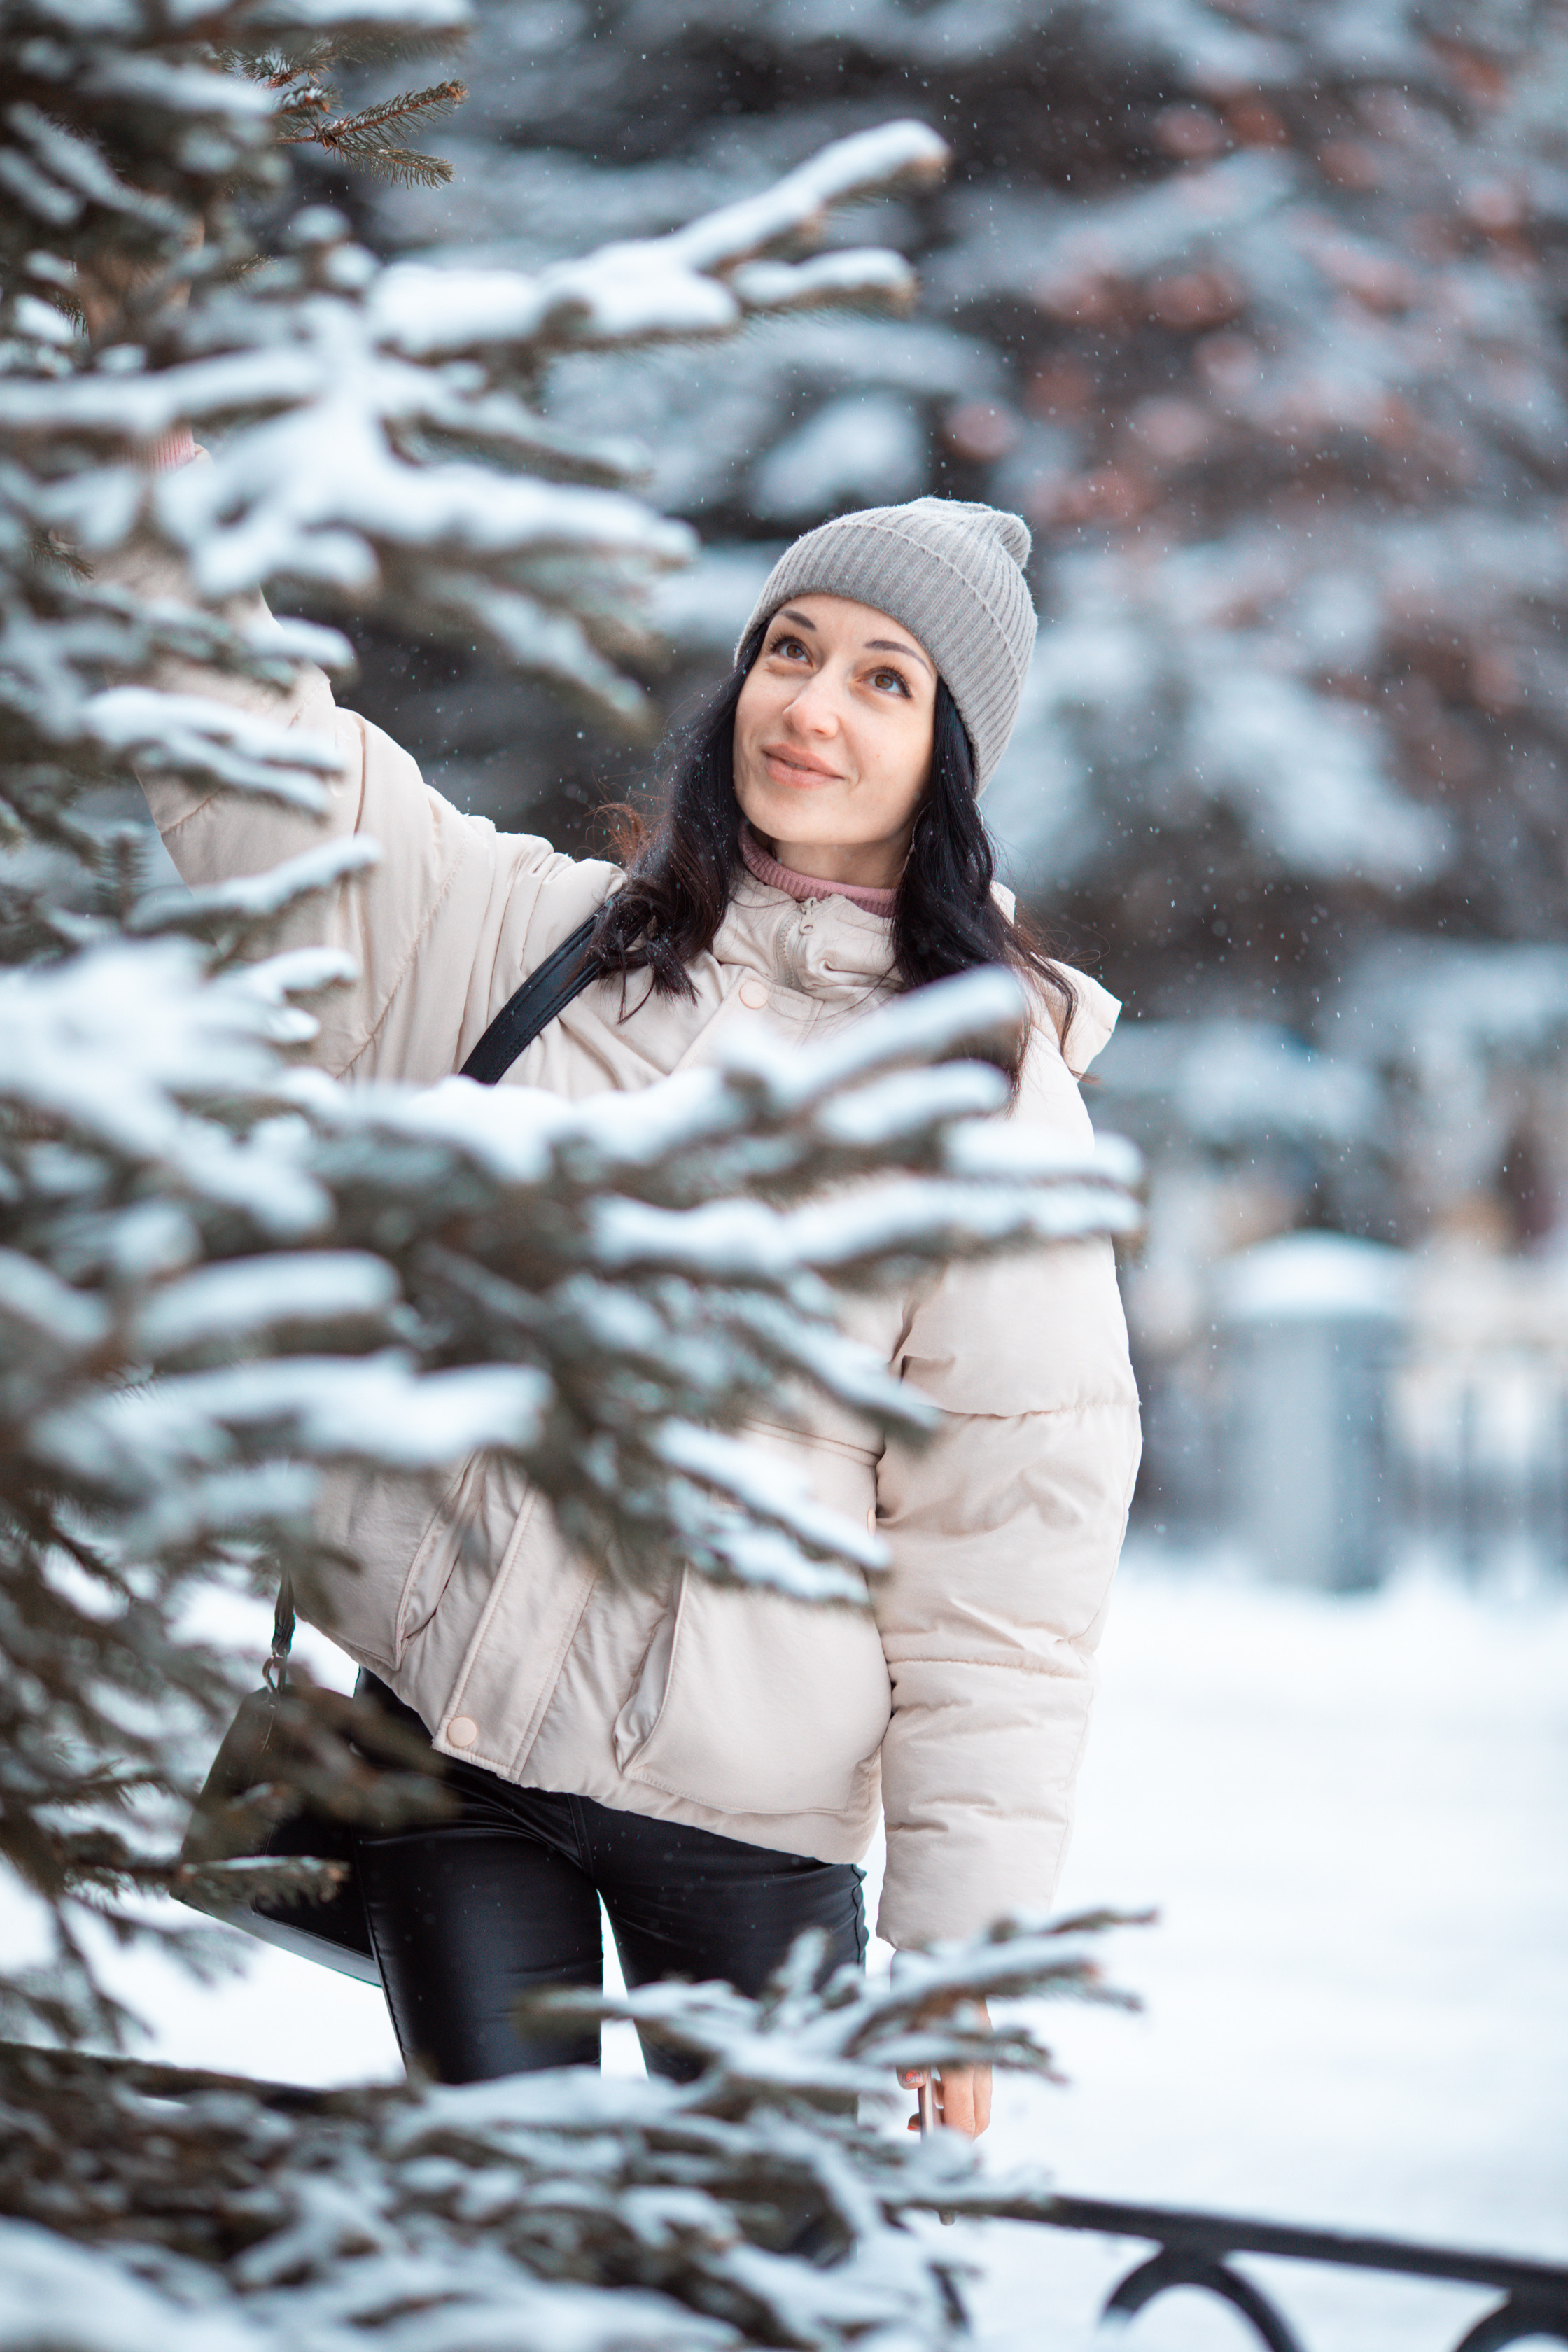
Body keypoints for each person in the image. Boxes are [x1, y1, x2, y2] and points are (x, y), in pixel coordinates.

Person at [118, 479, 1142, 2136]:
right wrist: (136, 474)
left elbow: (1011, 1561)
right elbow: (269, 774)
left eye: (885, 679)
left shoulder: (986, 1101)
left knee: (777, 2280)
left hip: (746, 1832)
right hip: (450, 1773)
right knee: (503, 2238)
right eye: (789, 650)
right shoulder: (543, 947)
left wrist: (962, 1954)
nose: (811, 705)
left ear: (951, 755)